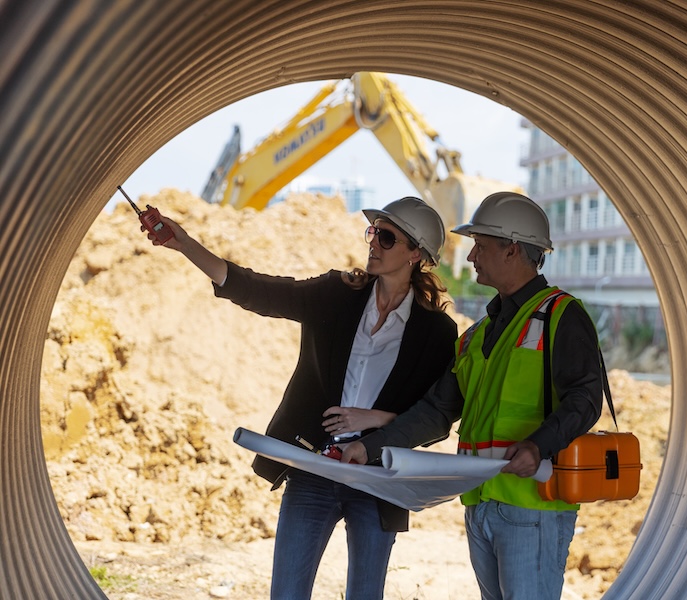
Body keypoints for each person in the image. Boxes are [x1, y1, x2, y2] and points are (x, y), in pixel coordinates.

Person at [146, 197, 459, 600]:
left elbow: (435, 419)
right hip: (314, 467)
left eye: (386, 237)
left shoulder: (437, 333)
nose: (373, 244)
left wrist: (376, 419)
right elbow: (258, 290)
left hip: (378, 480)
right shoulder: (338, 294)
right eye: (372, 232)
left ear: (416, 254)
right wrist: (185, 244)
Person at [341, 191, 604, 600]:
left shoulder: (561, 316)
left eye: (480, 246)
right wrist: (369, 447)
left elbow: (585, 400)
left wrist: (539, 446)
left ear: (512, 249)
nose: (471, 258)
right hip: (480, 504)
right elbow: (436, 411)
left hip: (531, 505)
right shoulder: (478, 335)